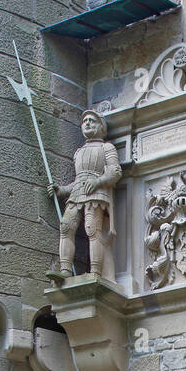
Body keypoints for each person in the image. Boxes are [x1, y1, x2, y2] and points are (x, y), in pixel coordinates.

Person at [49, 109, 121, 277]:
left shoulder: (106, 147)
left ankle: (96, 271)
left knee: (92, 229)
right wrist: (62, 190)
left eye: (92, 121)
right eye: (85, 121)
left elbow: (115, 171)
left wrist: (98, 182)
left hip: (96, 192)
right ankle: (65, 270)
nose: (87, 123)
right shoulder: (79, 152)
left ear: (101, 126)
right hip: (77, 193)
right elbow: (78, 180)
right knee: (66, 226)